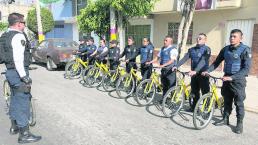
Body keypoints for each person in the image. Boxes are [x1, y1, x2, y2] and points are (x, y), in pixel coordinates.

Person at [0, 13, 41, 144]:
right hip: (18, 73)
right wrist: (24, 76)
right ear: (18, 23)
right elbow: (18, 59)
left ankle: (14, 126)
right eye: (24, 23)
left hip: (10, 72)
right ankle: (24, 134)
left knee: (14, 99)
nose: (24, 25)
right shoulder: (18, 36)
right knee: (23, 101)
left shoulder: (5, 35)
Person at [202, 29, 252, 134]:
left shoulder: (245, 50)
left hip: (238, 80)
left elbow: (246, 69)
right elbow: (216, 62)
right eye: (231, 36)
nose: (232, 38)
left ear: (241, 38)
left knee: (238, 103)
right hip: (226, 78)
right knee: (227, 100)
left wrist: (232, 78)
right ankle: (225, 118)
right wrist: (208, 70)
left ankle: (239, 124)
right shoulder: (225, 49)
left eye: (234, 36)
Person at [174, 33, 211, 111]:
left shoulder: (207, 49)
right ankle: (194, 108)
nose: (198, 39)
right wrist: (176, 65)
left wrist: (195, 70)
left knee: (205, 92)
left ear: (205, 40)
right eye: (197, 38)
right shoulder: (192, 49)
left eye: (200, 38)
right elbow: (184, 58)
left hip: (203, 74)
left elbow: (203, 61)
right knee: (194, 92)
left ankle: (207, 109)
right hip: (194, 74)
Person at [147, 35, 178, 99]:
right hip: (163, 70)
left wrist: (162, 65)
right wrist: (150, 62)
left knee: (172, 86)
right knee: (164, 86)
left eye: (166, 40)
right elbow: (157, 58)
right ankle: (164, 99)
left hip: (170, 70)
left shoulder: (173, 49)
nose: (164, 41)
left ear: (170, 42)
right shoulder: (162, 49)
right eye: (164, 40)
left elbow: (172, 61)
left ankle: (173, 100)